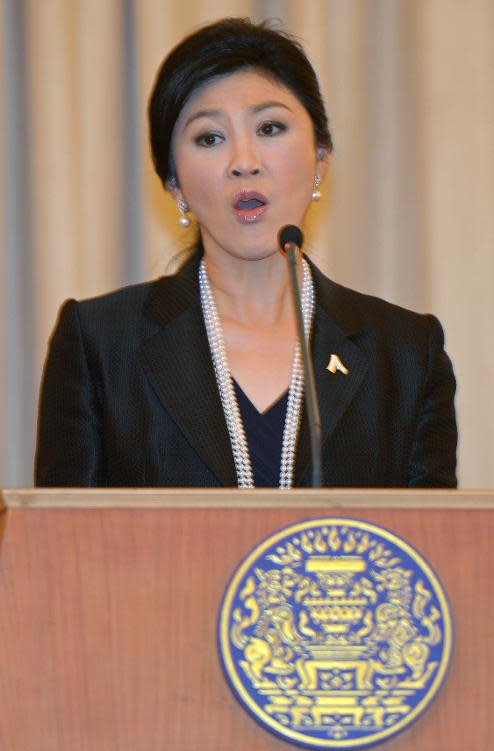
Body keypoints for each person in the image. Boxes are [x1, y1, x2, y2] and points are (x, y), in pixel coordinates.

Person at [35, 17, 457, 488]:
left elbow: (428, 550)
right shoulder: (99, 346)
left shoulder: (404, 354)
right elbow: (61, 552)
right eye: (209, 138)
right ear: (174, 184)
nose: (244, 162)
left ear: (320, 157)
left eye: (270, 127)